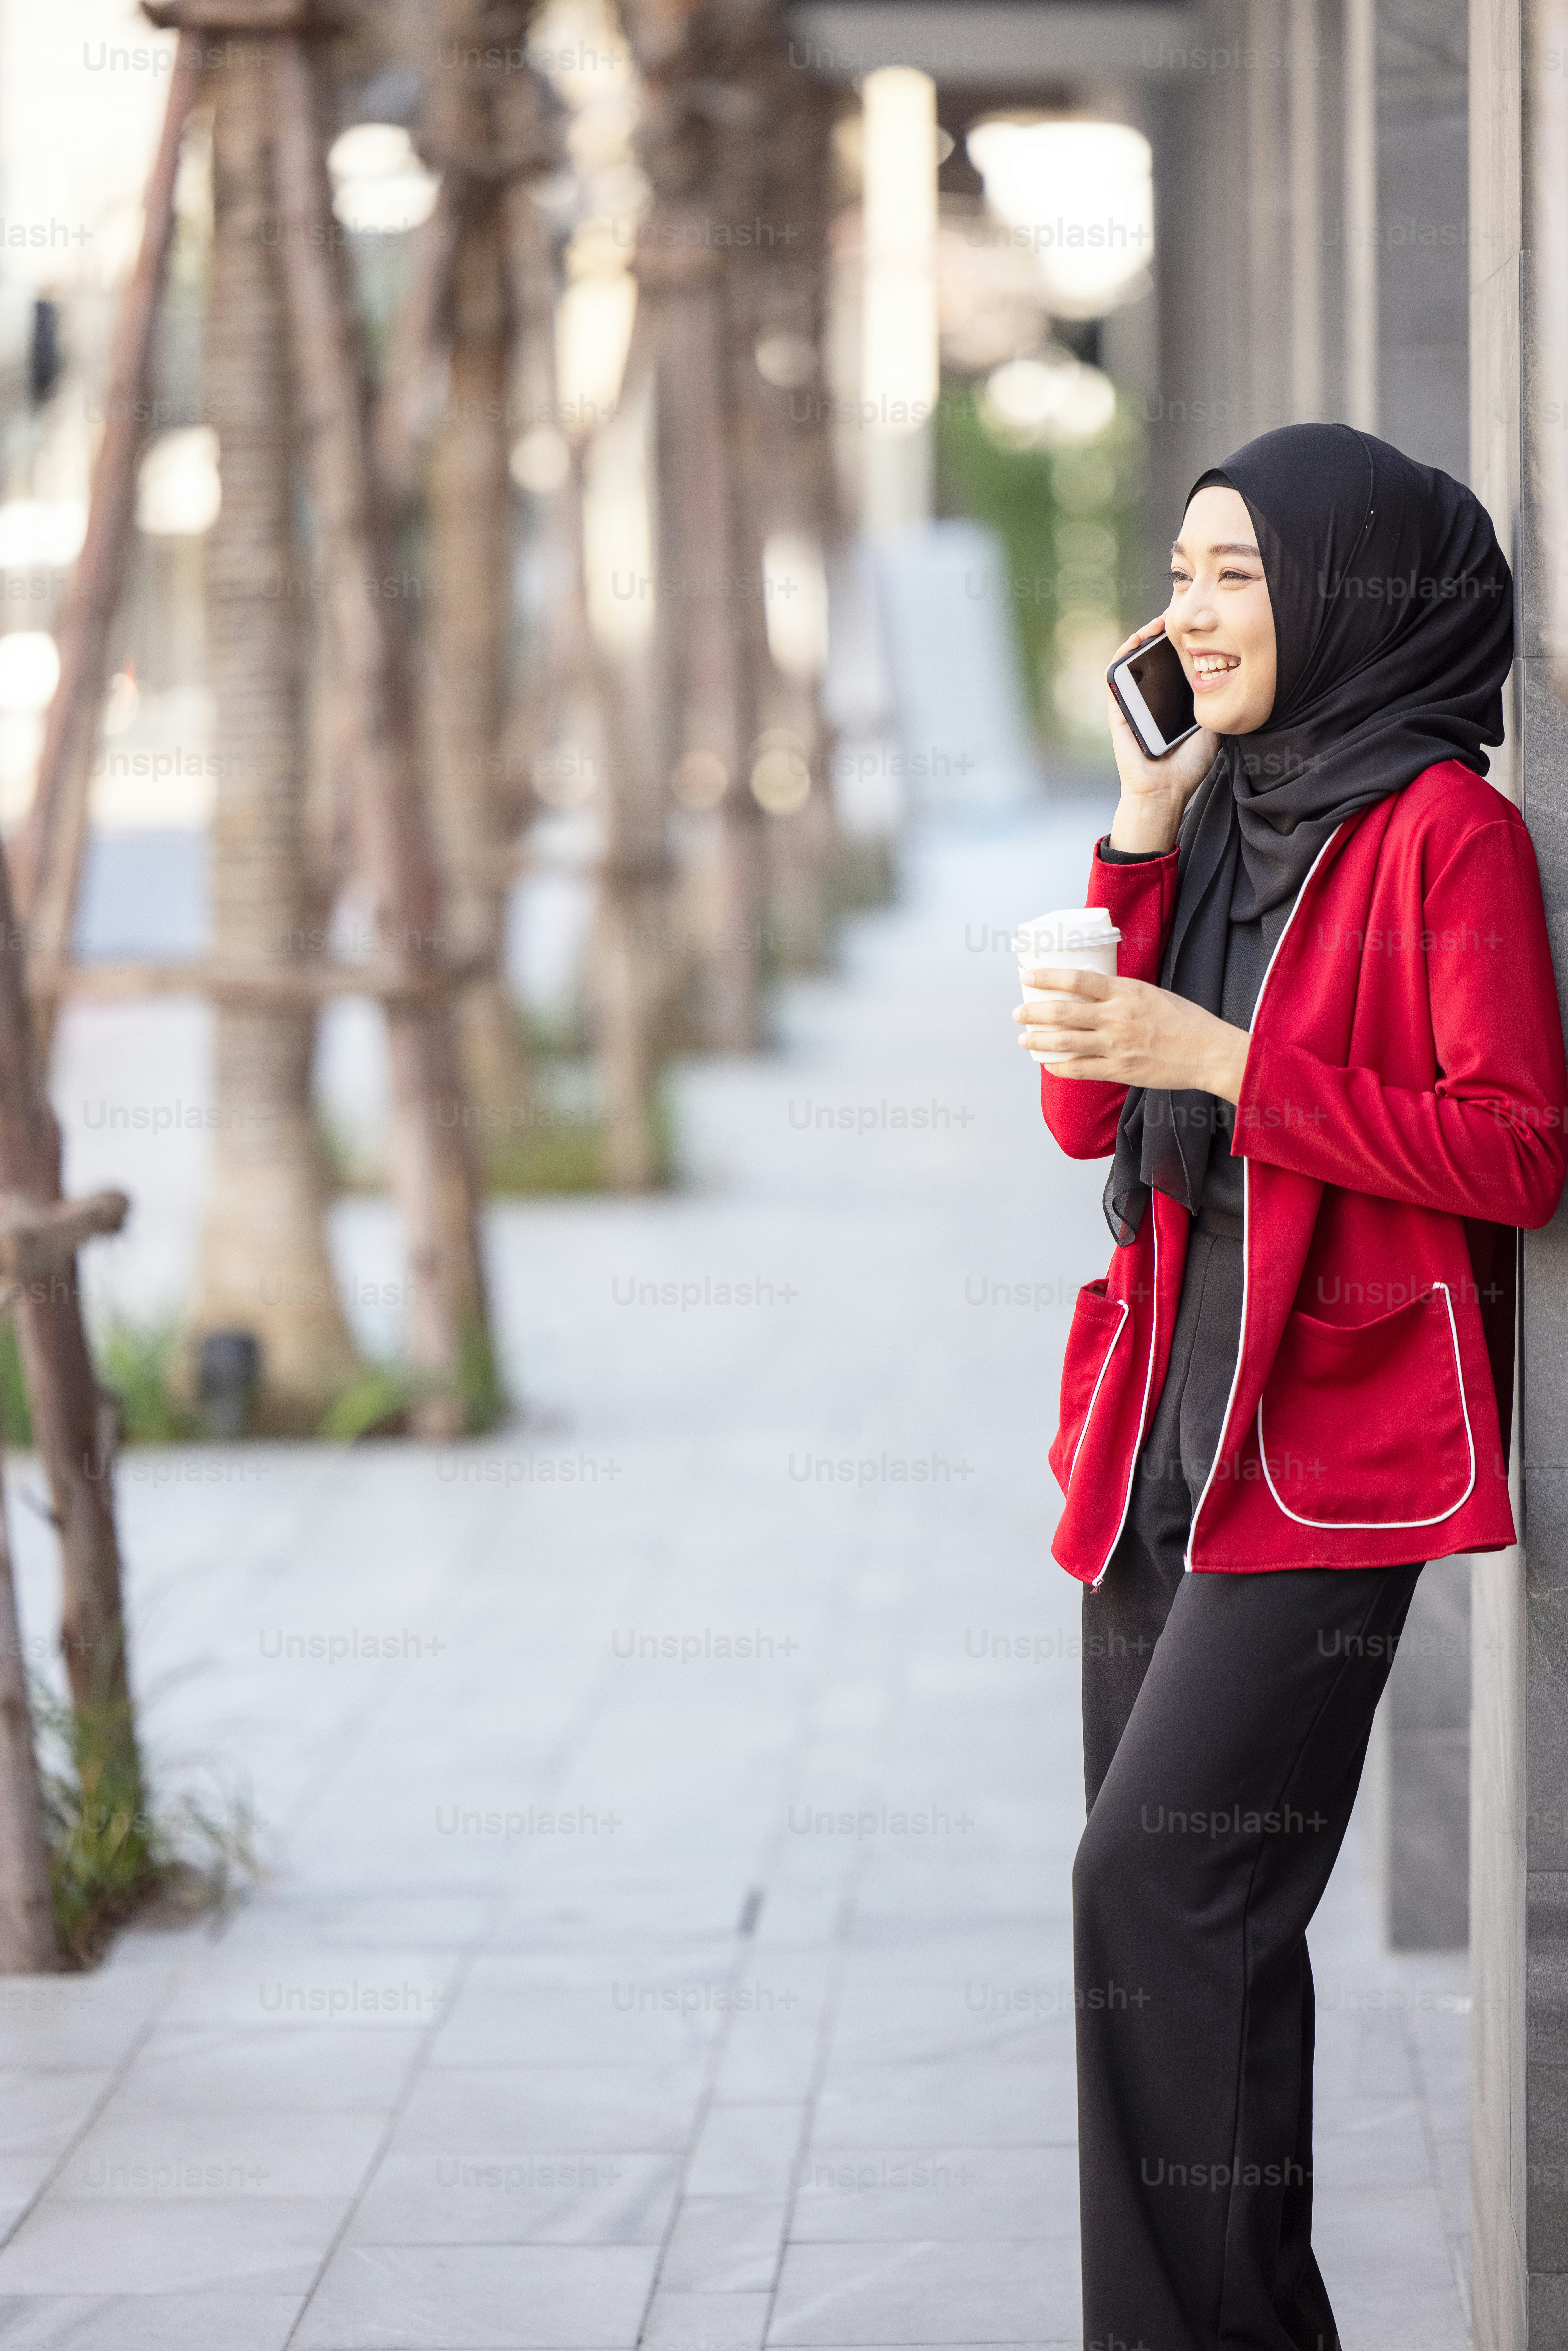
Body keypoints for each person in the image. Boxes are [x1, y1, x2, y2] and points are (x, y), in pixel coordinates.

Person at [1014, 422, 1568, 2351]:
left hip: (1325, 1441)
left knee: (1149, 1897)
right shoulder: (1221, 807)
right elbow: (1086, 1107)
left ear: (1351, 594)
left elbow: (1511, 1151)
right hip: (1159, 1422)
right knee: (1184, 1947)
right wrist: (1139, 831)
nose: (1187, 610)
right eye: (1179, 572)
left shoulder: (1444, 833)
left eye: (1235, 574)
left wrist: (1230, 1057)